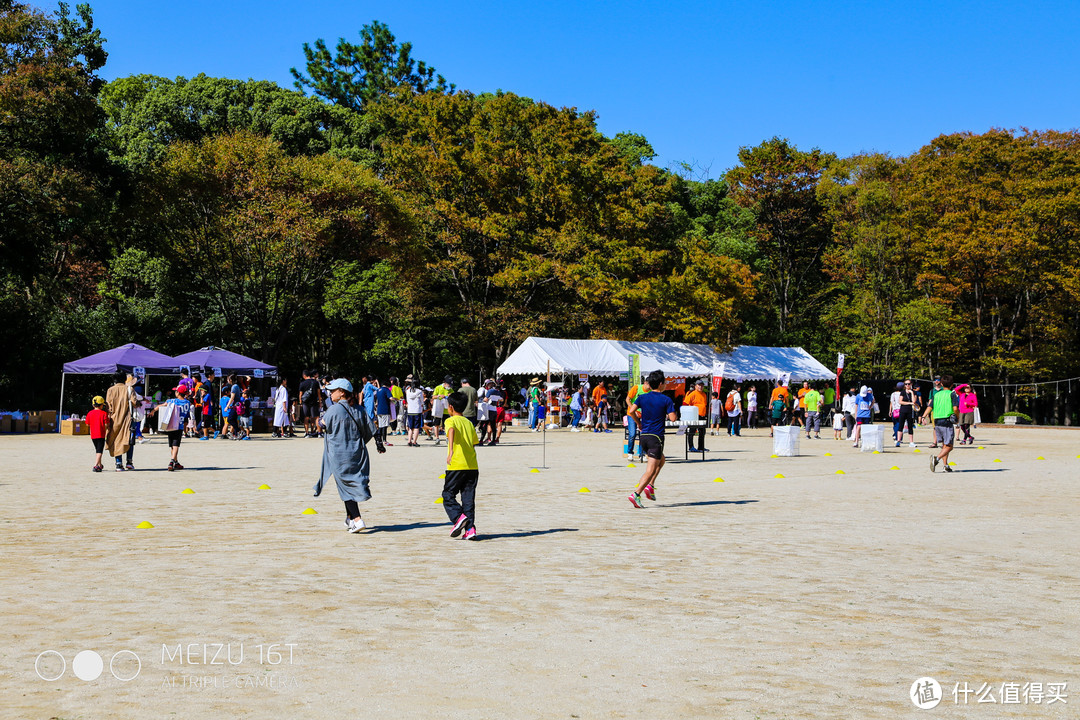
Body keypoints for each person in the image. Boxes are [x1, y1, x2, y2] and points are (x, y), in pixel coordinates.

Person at [313, 378, 386, 533]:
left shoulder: (333, 410)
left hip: (340, 455)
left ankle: (358, 520)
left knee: (345, 487)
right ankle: (350, 518)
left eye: (333, 391)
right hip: (358, 453)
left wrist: (320, 422)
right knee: (351, 484)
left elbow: (322, 425)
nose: (330, 393)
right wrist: (379, 444)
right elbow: (372, 429)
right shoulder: (359, 409)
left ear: (342, 392)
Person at [626, 370, 678, 508]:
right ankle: (636, 494)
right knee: (650, 470)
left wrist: (638, 423)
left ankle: (651, 485)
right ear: (661, 384)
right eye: (665, 382)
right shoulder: (666, 399)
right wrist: (673, 411)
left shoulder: (642, 397)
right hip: (656, 437)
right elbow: (673, 418)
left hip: (644, 437)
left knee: (662, 460)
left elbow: (631, 411)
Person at [442, 391, 480, 540]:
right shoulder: (469, 423)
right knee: (468, 498)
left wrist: (450, 451)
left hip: (456, 465)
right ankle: (470, 529)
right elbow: (473, 443)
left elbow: (451, 431)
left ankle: (458, 517)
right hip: (472, 466)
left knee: (448, 495)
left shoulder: (450, 421)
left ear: (450, 407)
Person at [926, 375, 959, 472]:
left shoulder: (936, 395)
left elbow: (930, 406)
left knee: (945, 444)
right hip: (947, 421)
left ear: (941, 383)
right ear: (952, 385)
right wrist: (957, 417)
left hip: (937, 421)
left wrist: (923, 416)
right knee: (949, 446)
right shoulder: (952, 394)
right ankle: (936, 459)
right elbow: (955, 408)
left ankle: (946, 466)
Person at [105, 372, 137, 471]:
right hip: (127, 418)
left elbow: (108, 406)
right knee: (129, 440)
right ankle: (129, 462)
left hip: (114, 419)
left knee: (115, 440)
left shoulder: (110, 390)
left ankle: (118, 463)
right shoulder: (129, 389)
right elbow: (134, 403)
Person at [161, 386, 192, 470]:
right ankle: (175, 461)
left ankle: (172, 461)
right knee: (175, 444)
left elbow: (164, 404)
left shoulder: (173, 401)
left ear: (178, 393)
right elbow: (187, 416)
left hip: (170, 425)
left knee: (173, 445)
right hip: (180, 426)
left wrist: (154, 410)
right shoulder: (188, 403)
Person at [682, 380, 708, 452]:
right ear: (695, 386)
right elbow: (685, 403)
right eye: (699, 385)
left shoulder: (704, 394)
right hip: (694, 415)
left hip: (702, 415)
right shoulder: (693, 394)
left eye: (702, 385)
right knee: (692, 431)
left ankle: (701, 447)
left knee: (702, 431)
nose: (701, 387)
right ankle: (691, 447)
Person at [87, 395, 109, 472]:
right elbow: (106, 424)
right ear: (102, 405)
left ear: (93, 405)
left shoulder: (90, 413)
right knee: (100, 451)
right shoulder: (104, 413)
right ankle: (96, 465)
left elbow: (87, 424)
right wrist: (106, 430)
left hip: (93, 435)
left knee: (97, 450)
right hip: (101, 434)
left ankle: (100, 464)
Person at [431, 376, 454, 445]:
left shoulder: (450, 389)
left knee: (446, 424)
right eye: (449, 384)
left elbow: (453, 396)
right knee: (436, 424)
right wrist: (439, 396)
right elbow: (433, 397)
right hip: (438, 408)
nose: (449, 386)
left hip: (446, 409)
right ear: (445, 383)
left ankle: (447, 437)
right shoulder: (438, 387)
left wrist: (451, 396)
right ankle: (437, 438)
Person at [298, 370, 320, 437]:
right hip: (314, 402)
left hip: (305, 402)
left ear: (304, 375)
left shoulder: (302, 383)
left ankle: (307, 432)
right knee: (316, 417)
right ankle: (318, 432)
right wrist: (320, 401)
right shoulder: (315, 382)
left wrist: (301, 402)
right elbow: (319, 393)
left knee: (306, 417)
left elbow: (300, 394)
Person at [404, 378, 425, 446]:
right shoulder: (419, 391)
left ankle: (409, 441)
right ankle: (414, 442)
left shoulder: (408, 391)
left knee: (410, 427)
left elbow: (407, 400)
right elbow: (422, 401)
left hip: (410, 411)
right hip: (417, 411)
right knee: (416, 427)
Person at [375, 378, 394, 445]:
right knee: (385, 426)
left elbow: (377, 402)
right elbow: (390, 398)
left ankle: (378, 439)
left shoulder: (378, 390)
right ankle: (384, 440)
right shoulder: (386, 390)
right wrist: (396, 399)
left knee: (380, 426)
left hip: (379, 410)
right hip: (385, 410)